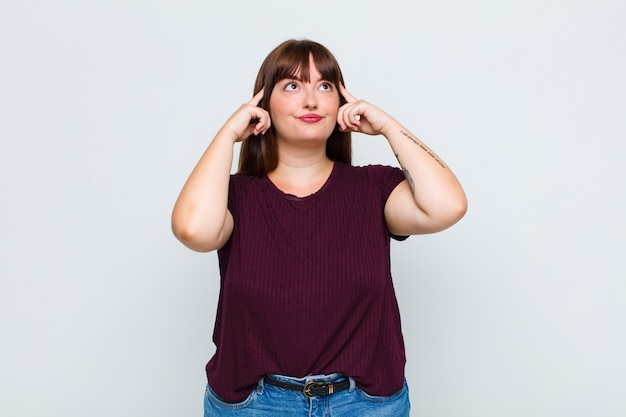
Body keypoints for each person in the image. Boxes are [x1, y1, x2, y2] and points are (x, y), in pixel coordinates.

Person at [171, 39, 467, 417]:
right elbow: (193, 230)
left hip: (365, 405)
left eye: (325, 86)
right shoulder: (234, 196)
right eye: (292, 86)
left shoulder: (373, 189)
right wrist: (227, 135)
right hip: (254, 406)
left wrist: (388, 126)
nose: (311, 100)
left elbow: (449, 205)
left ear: (340, 104)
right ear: (262, 106)